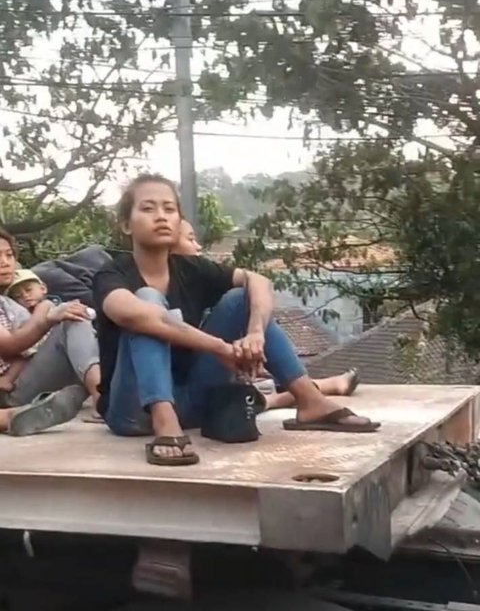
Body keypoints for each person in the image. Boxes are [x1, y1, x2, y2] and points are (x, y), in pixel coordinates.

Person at [93, 173, 379, 467]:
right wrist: (221, 349)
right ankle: (163, 421)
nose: (161, 217)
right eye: (148, 208)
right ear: (126, 224)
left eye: (169, 208)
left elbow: (259, 281)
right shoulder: (111, 274)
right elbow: (134, 315)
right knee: (148, 302)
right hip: (131, 410)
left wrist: (255, 333)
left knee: (240, 299)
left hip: (192, 403)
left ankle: (310, 401)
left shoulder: (191, 268)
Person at [171, 220, 361, 410]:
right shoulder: (145, 289)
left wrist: (256, 333)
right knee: (240, 304)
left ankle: (310, 393)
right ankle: (314, 391)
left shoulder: (194, 273)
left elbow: (258, 281)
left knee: (246, 304)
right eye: (191, 239)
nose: (198, 246)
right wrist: (225, 350)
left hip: (202, 382)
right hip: (171, 403)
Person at [0, 229, 101, 435]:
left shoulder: (9, 303)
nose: (4, 262)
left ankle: (100, 393)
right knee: (70, 322)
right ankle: (102, 398)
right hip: (10, 390)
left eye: (9, 255)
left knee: (75, 317)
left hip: (23, 377)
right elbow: (9, 346)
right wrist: (46, 316)